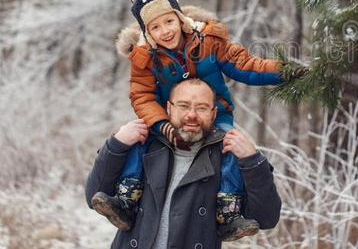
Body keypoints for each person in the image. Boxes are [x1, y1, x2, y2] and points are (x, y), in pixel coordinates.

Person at [91, 0, 304, 240]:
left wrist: (284, 71)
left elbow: (246, 66)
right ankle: (127, 200)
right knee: (139, 136)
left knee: (229, 145)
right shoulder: (145, 59)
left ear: (180, 19)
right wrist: (156, 126)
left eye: (169, 21)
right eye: (155, 27)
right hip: (163, 122)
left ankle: (228, 213)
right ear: (147, 33)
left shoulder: (209, 42)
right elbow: (142, 96)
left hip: (217, 119)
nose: (165, 31)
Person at [85, 79, 281, 248]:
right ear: (169, 108)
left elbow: (266, 218)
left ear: (213, 114)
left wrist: (253, 161)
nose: (192, 115)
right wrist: (116, 145)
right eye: (184, 105)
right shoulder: (144, 144)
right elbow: (93, 196)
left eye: (202, 108)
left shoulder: (227, 156)